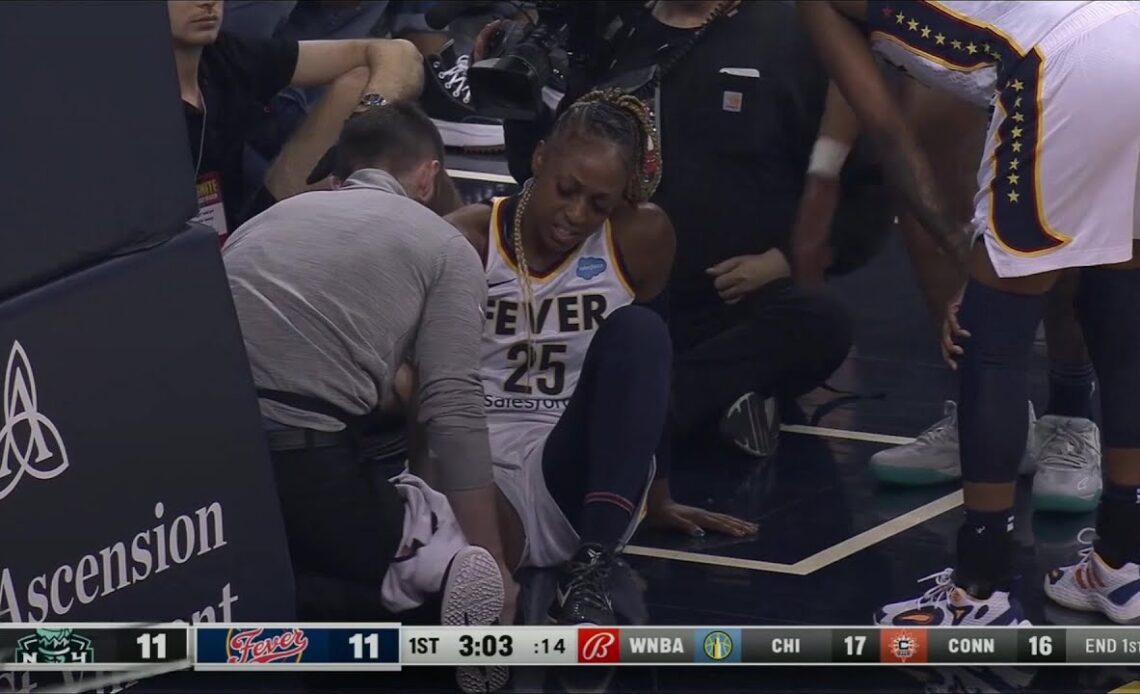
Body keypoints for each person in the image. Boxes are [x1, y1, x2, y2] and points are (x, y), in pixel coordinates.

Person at [797, 0, 1140, 625]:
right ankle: (1121, 564)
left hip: (1056, 64)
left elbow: (890, 135)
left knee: (991, 338)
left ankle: (978, 592)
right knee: (1119, 309)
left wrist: (968, 258)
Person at [481, 0, 885, 458]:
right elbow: (542, 174)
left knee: (820, 320)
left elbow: (868, 191)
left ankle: (631, 416)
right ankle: (710, 409)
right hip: (609, 289)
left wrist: (785, 260)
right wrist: (515, 93)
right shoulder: (610, 28)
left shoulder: (799, 37)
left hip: (725, 303)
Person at [223, 103, 514, 691]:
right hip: (306, 463)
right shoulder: (444, 244)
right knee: (438, 574)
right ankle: (443, 584)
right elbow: (450, 404)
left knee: (285, 565)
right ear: (429, 176)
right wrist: (494, 559)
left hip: (209, 463)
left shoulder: (265, 220)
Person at [447, 89, 758, 625]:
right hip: (473, 454)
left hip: (574, 465)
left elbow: (650, 365)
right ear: (540, 158)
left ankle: (590, 568)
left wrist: (657, 495)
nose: (575, 215)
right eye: (567, 190)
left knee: (640, 329)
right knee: (452, 540)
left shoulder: (642, 235)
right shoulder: (465, 240)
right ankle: (478, 601)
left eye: (599, 204)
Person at [795, 79, 1102, 511]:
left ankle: (1070, 416)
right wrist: (824, 172)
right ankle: (980, 410)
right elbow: (853, 55)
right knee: (923, 142)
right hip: (949, 37)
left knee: (1056, 201)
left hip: (1054, 33)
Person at [168, 0, 423, 237]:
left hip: (238, 241)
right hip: (156, 260)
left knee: (364, 78)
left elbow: (398, 53)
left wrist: (365, 118)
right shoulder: (131, 88)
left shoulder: (229, 54)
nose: (207, 3)